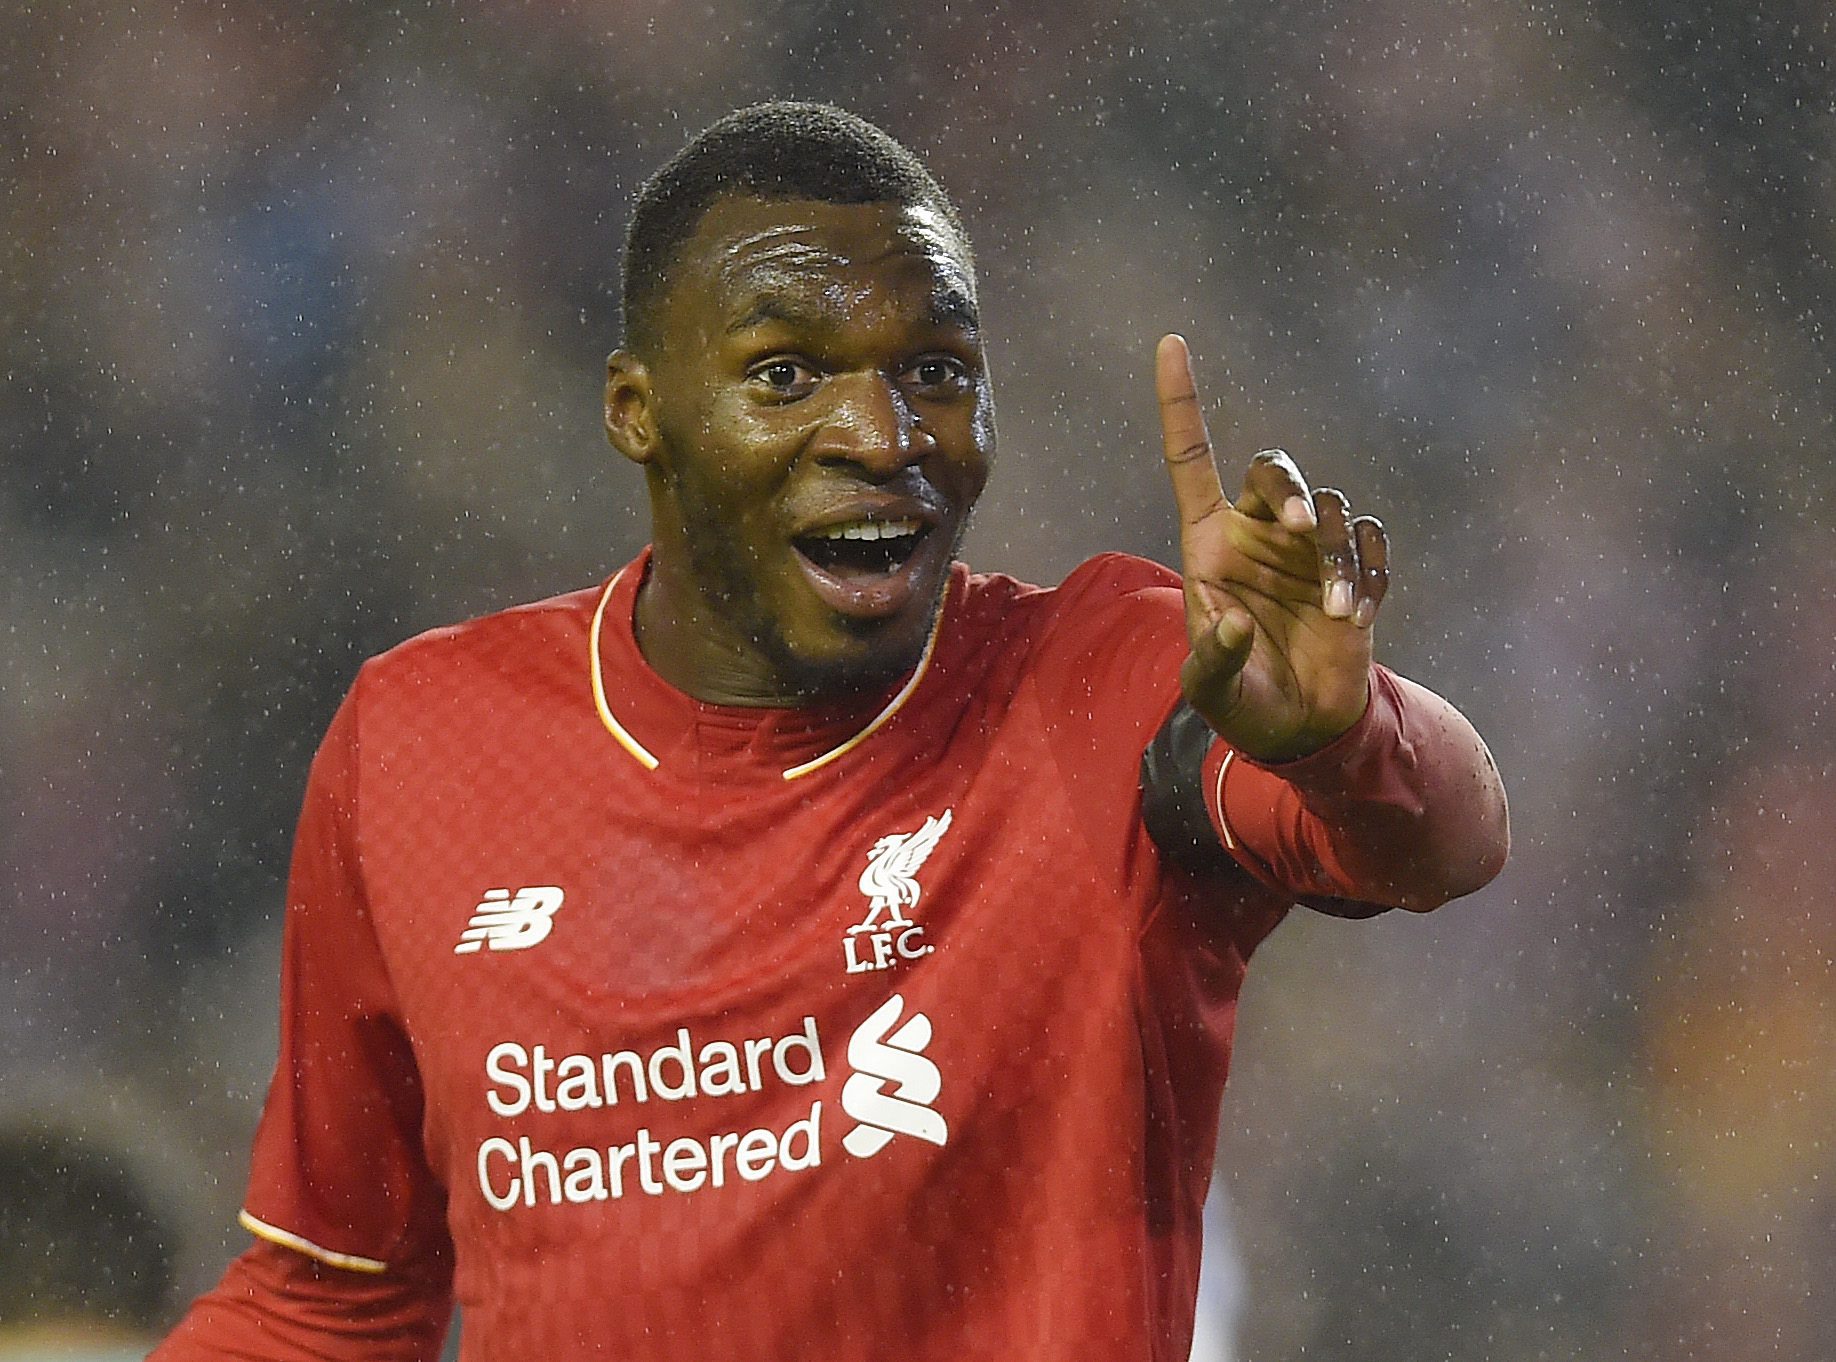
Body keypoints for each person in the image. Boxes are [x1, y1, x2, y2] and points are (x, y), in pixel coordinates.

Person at [152, 101, 1507, 1362]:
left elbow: (1443, 840)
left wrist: (1340, 736)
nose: (881, 433)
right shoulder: (423, 740)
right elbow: (330, 1301)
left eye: (936, 370)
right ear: (639, 410)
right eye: (788, 372)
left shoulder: (1102, 679)